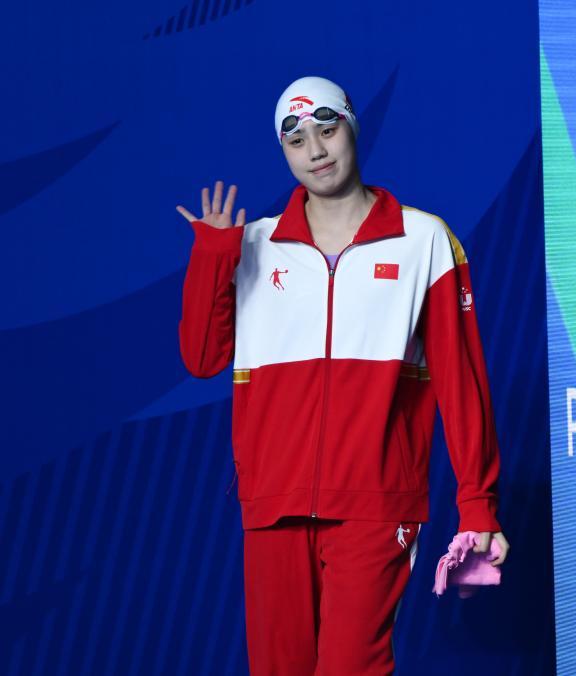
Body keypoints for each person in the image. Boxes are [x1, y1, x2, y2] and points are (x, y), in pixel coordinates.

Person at [175, 75, 509, 675]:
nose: (316, 151)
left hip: (375, 504)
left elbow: (463, 385)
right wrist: (212, 257)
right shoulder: (251, 246)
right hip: (274, 504)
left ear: (353, 128)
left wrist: (477, 505)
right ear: (284, 152)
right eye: (297, 140)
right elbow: (201, 358)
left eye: (328, 130)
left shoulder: (423, 241)